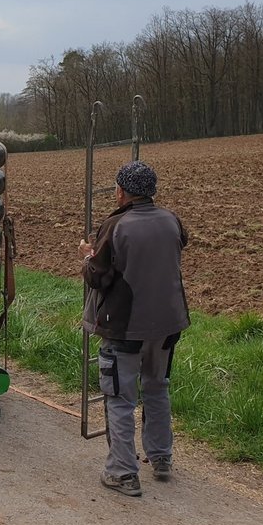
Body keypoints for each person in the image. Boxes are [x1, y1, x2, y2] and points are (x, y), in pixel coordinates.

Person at [78, 159, 190, 498]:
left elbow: (99, 276)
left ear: (122, 191)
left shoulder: (116, 227)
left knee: (120, 397)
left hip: (125, 326)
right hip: (168, 323)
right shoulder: (172, 221)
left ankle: (123, 472)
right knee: (157, 388)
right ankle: (161, 459)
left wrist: (87, 255)